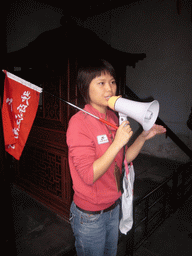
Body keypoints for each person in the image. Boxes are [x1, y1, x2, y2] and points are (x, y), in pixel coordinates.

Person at [66, 59, 166, 256]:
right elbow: (88, 175)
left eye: (112, 81)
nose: (110, 88)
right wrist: (117, 143)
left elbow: (124, 158)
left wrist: (144, 136)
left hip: (113, 208)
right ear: (85, 87)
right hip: (90, 216)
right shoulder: (78, 123)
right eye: (101, 82)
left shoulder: (113, 118)